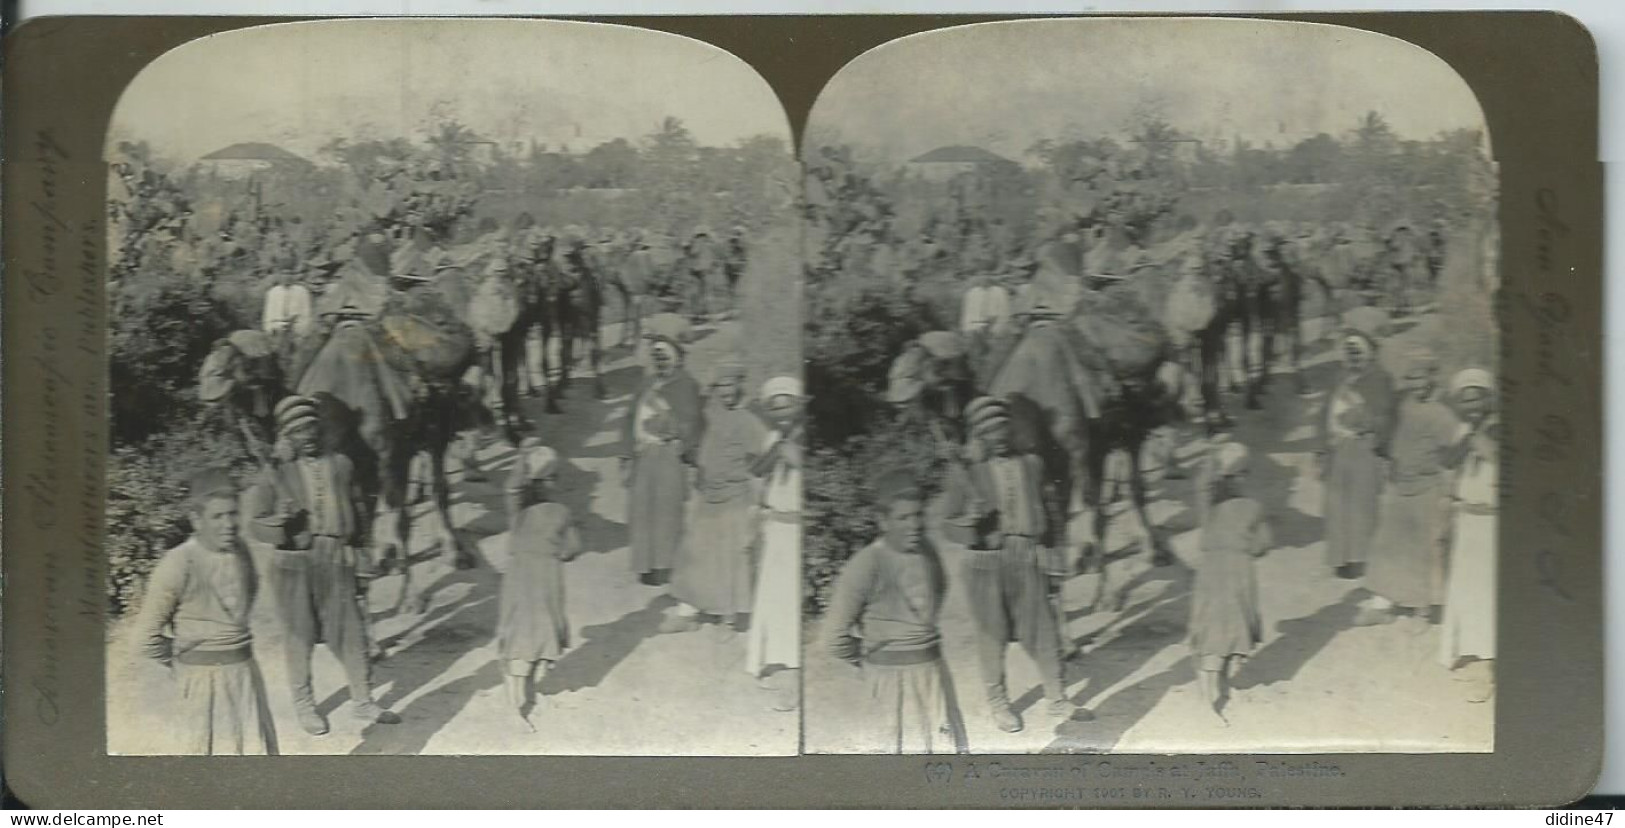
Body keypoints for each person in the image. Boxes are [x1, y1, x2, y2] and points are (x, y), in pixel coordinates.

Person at [245, 395, 402, 735]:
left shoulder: (342, 465)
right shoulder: (275, 475)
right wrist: (281, 520)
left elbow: (360, 513)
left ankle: (363, 702)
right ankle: (305, 707)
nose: (309, 437)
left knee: (352, 634)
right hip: (292, 565)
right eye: (300, 432)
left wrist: (361, 556)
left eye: (313, 428)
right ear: (288, 436)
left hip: (336, 557)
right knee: (298, 638)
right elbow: (255, 525)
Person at [942, 396, 1084, 734]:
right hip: (984, 563)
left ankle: (1057, 699)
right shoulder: (967, 475)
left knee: (1044, 630)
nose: (1000, 437)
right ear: (979, 436)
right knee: (992, 636)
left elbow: (1051, 512)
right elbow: (946, 525)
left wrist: (1054, 555)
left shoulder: (1032, 465)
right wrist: (970, 522)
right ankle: (998, 703)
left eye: (1003, 429)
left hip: (1027, 555)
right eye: (990, 432)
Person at [132, 467, 278, 755]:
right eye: (217, 516)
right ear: (196, 520)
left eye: (233, 513)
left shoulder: (243, 552)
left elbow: (246, 601)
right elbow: (144, 639)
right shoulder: (178, 564)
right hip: (201, 683)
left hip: (245, 675)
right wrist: (185, 659)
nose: (229, 524)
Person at [823, 468, 965, 754]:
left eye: (917, 515)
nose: (913, 525)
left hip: (933, 672)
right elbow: (832, 638)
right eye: (903, 517)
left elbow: (939, 589)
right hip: (889, 682)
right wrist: (873, 656)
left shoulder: (927, 550)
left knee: (946, 756)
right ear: (882, 520)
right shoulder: (866, 564)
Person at [663, 361, 768, 634]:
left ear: (740, 387)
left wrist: (756, 498)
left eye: (731, 385)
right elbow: (692, 436)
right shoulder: (709, 415)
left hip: (735, 497)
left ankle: (727, 614)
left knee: (729, 555)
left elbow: (763, 459)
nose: (726, 392)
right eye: (721, 386)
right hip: (708, 494)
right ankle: (688, 612)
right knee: (695, 550)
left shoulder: (747, 421)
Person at [1358, 347, 1460, 627]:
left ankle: (1422, 606)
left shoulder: (1442, 414)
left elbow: (1454, 453)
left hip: (1428, 487)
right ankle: (1383, 603)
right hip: (1398, 482)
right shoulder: (1401, 403)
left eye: (1421, 378)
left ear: (1432, 377)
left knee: (1424, 547)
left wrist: (1449, 492)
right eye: (1411, 378)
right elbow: (1384, 431)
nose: (1416, 384)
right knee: (1387, 543)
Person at [1188, 441, 1273, 723]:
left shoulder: (1208, 505)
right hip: (1238, 574)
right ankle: (1210, 701)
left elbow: (1202, 483)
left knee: (1212, 633)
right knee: (1233, 630)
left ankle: (1208, 694)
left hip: (1211, 573)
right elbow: (1263, 545)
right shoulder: (1253, 507)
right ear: (1243, 475)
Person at [497, 442, 581, 730]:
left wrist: (522, 458)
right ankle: (517, 706)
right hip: (546, 579)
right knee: (541, 633)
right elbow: (572, 549)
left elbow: (511, 486)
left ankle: (515, 701)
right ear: (552, 481)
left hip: (519, 578)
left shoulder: (517, 511)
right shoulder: (562, 513)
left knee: (519, 636)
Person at [620, 331, 703, 585]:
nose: (660, 360)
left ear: (678, 357)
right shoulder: (645, 384)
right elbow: (628, 418)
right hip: (643, 455)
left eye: (665, 355)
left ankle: (665, 566)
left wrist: (681, 439)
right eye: (656, 355)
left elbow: (693, 422)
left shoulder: (687, 385)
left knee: (667, 510)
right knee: (641, 510)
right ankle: (645, 565)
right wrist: (625, 453)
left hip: (668, 455)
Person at [1317, 310, 1396, 579]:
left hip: (1364, 448)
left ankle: (1360, 559)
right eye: (1348, 349)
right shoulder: (1336, 378)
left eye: (1358, 349)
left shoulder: (1381, 379)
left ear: (1370, 351)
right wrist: (1320, 448)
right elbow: (1323, 413)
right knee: (1337, 505)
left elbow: (1385, 416)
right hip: (1338, 449)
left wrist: (1372, 431)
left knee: (1362, 506)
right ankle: (1340, 558)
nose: (1352, 355)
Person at [746, 375, 807, 712]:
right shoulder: (774, 437)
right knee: (773, 601)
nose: (783, 414)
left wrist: (787, 446)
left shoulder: (802, 438)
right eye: (776, 409)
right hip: (776, 525)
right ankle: (779, 664)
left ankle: (795, 682)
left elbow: (800, 463)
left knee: (792, 604)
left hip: (798, 528)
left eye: (789, 407)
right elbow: (759, 473)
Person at [1438, 368, 1499, 703]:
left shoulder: (1497, 428)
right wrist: (1465, 436)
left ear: (1488, 400)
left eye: (1478, 399)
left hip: (1492, 522)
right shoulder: (1466, 428)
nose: (1472, 406)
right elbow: (1448, 461)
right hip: (1468, 518)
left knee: (1486, 594)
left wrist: (1476, 433)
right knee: (1467, 591)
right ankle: (1472, 653)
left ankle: (1488, 669)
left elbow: (1494, 455)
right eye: (1466, 401)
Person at [262, 264, 314, 340]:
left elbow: (306, 315)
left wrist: (300, 329)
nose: (287, 277)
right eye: (284, 274)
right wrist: (271, 328)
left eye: (290, 274)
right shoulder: (273, 292)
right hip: (278, 326)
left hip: (297, 327)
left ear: (294, 275)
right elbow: (268, 316)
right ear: (279, 276)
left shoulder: (302, 291)